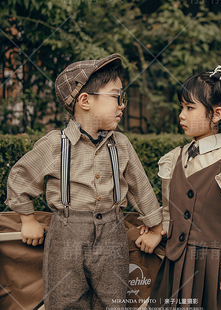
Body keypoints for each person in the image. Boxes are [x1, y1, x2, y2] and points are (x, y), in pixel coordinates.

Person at [5, 53, 163, 309]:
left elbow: (139, 187)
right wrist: (27, 219)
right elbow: (21, 177)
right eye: (116, 96)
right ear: (85, 100)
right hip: (66, 233)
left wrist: (155, 227)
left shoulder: (120, 144)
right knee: (65, 299)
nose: (122, 105)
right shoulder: (56, 144)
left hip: (112, 232)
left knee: (113, 300)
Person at [143, 66, 221, 310]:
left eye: (189, 107)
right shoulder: (174, 158)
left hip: (214, 269)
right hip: (176, 266)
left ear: (216, 114)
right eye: (181, 107)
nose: (181, 115)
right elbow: (169, 212)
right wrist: (157, 230)